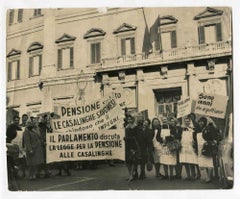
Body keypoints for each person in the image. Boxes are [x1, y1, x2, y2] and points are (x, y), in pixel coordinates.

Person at [179, 116, 198, 180]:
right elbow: (180, 138)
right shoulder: (181, 129)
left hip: (190, 147)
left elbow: (195, 139)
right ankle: (188, 176)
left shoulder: (193, 129)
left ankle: (193, 176)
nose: (186, 122)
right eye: (185, 121)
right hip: (183, 147)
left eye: (188, 121)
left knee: (191, 162)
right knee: (185, 162)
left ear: (190, 122)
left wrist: (194, 145)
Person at [124, 114, 138, 181]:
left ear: (133, 120)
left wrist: (128, 138)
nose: (129, 120)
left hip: (133, 145)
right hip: (127, 145)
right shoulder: (126, 127)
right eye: (128, 119)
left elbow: (136, 137)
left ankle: (131, 175)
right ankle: (130, 175)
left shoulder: (135, 127)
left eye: (130, 119)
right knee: (127, 161)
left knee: (132, 161)